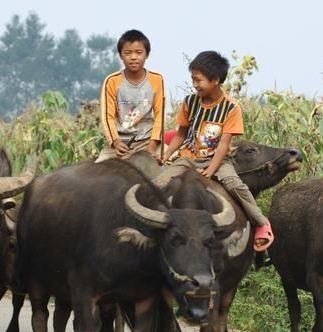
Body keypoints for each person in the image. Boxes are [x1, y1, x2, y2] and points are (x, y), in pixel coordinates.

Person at [161, 51, 274, 251]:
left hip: (219, 160)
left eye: (198, 80)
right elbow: (181, 134)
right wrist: (167, 154)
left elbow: (223, 144)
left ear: (215, 80)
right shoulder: (190, 102)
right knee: (159, 182)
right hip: (189, 156)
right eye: (192, 79)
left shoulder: (231, 108)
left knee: (236, 186)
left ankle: (261, 223)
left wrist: (212, 170)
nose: (195, 84)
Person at [96, 29, 165, 162]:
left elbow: (160, 116)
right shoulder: (112, 81)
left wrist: (152, 145)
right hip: (120, 142)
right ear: (121, 56)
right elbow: (107, 117)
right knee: (97, 172)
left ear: (147, 54)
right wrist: (115, 142)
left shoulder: (157, 79)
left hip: (147, 140)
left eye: (139, 53)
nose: (133, 57)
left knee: (173, 164)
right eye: (128, 53)